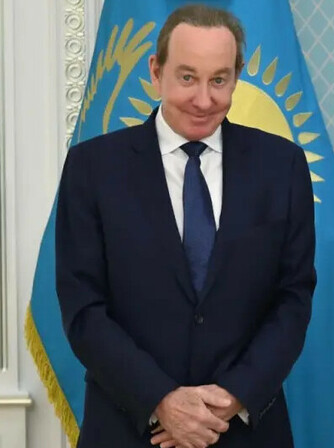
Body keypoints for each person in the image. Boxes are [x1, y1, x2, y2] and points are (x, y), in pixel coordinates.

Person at [55, 4, 315, 447]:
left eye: (219, 80)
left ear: (237, 76)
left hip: (243, 430)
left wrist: (231, 398)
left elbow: (293, 299)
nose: (203, 99)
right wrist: (161, 401)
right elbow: (83, 308)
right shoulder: (92, 168)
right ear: (156, 72)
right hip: (128, 429)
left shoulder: (282, 166)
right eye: (188, 77)